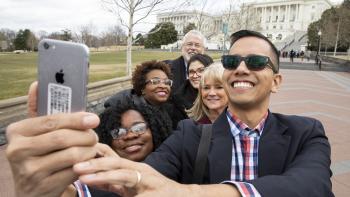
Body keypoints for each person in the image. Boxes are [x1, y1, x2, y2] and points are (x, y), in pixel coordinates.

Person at [6, 30, 333, 197]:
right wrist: (65, 190)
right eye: (232, 62)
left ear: (276, 81)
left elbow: (310, 186)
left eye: (257, 62)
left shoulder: (306, 132)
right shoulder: (190, 135)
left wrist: (187, 193)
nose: (242, 68)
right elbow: (142, 179)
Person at [75, 100, 172, 196]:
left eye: (139, 128)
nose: (130, 136)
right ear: (107, 141)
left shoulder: (177, 168)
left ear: (155, 129)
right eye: (118, 132)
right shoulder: (99, 185)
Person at [104, 60, 187, 129]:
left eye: (167, 82)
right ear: (142, 87)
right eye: (155, 81)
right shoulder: (122, 111)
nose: (163, 86)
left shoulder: (170, 108)